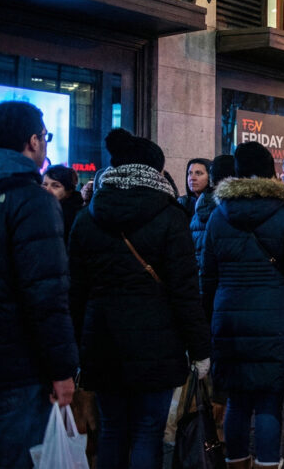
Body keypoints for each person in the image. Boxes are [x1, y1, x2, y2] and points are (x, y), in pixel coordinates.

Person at [68, 129, 210, 468]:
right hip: (157, 345)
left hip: (100, 342)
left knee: (112, 430)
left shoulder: (87, 217)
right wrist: (201, 349)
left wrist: (73, 347)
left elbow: (74, 291)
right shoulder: (172, 217)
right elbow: (185, 290)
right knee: (149, 431)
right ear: (156, 171)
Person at [201, 142, 284, 468]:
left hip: (229, 321)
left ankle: (236, 462)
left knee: (238, 401)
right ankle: (269, 463)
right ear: (271, 171)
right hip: (277, 322)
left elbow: (207, 277)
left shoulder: (218, 214)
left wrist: (205, 325)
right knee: (269, 402)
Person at [0, 102, 78, 468]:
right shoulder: (32, 201)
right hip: (19, 366)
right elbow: (46, 294)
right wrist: (62, 371)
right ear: (33, 141)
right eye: (44, 137)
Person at [192, 154, 234, 269]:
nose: (192, 178)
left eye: (198, 173)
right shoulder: (234, 207)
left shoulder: (201, 205)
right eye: (190, 173)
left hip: (203, 272)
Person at [42, 164, 84, 244]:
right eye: (45, 185)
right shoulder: (41, 210)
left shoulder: (75, 217)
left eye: (55, 186)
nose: (48, 190)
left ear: (68, 190)